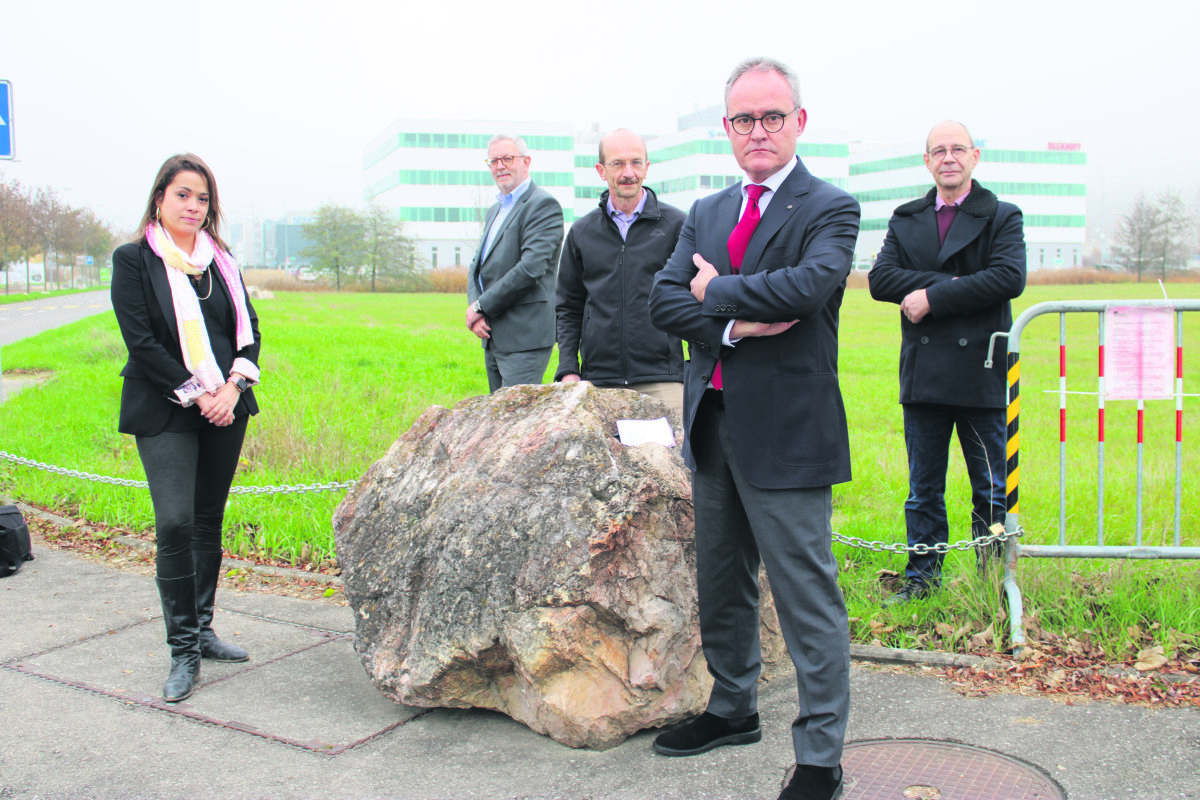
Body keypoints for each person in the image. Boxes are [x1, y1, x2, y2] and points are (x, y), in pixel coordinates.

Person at [648, 58, 860, 800]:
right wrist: (739, 319)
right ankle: (732, 707)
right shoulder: (705, 212)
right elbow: (663, 302)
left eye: (773, 116)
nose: (759, 131)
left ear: (799, 121)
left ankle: (820, 758)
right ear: (728, 129)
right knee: (722, 579)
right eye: (744, 119)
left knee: (806, 596)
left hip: (790, 432)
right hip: (712, 423)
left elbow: (806, 289)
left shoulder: (830, 207)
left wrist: (714, 293)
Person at [111, 153, 261, 703]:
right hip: (166, 406)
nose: (193, 206)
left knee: (205, 521)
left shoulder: (222, 262)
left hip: (226, 404)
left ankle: (202, 627)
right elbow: (142, 343)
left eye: (202, 198)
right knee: (174, 523)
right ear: (160, 199)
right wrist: (200, 393)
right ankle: (183, 652)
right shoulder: (133, 261)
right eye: (183, 195)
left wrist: (232, 389)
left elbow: (249, 336)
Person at [867, 121, 1026, 606]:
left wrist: (931, 296)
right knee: (923, 490)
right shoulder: (906, 216)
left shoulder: (1002, 215)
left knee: (991, 487)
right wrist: (960, 283)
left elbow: (1008, 277)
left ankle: (994, 578)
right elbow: (880, 280)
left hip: (981, 370)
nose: (949, 157)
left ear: (975, 156)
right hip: (924, 374)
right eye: (939, 150)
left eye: (958, 149)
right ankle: (922, 580)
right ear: (927, 161)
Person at [554, 128, 686, 415]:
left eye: (636, 162)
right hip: (599, 381)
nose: (629, 172)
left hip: (663, 379)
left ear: (647, 167)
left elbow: (696, 299)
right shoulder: (581, 232)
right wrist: (568, 369)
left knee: (672, 459)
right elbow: (568, 306)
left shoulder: (677, 226)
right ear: (601, 170)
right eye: (618, 163)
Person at [466, 135, 565, 392]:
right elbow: (477, 266)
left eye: (507, 158)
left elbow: (531, 268)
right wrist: (476, 311)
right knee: (498, 422)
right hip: (492, 333)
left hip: (525, 338)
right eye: (493, 161)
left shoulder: (542, 205)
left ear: (526, 161)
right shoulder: (495, 210)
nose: (500, 166)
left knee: (516, 423)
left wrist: (481, 305)